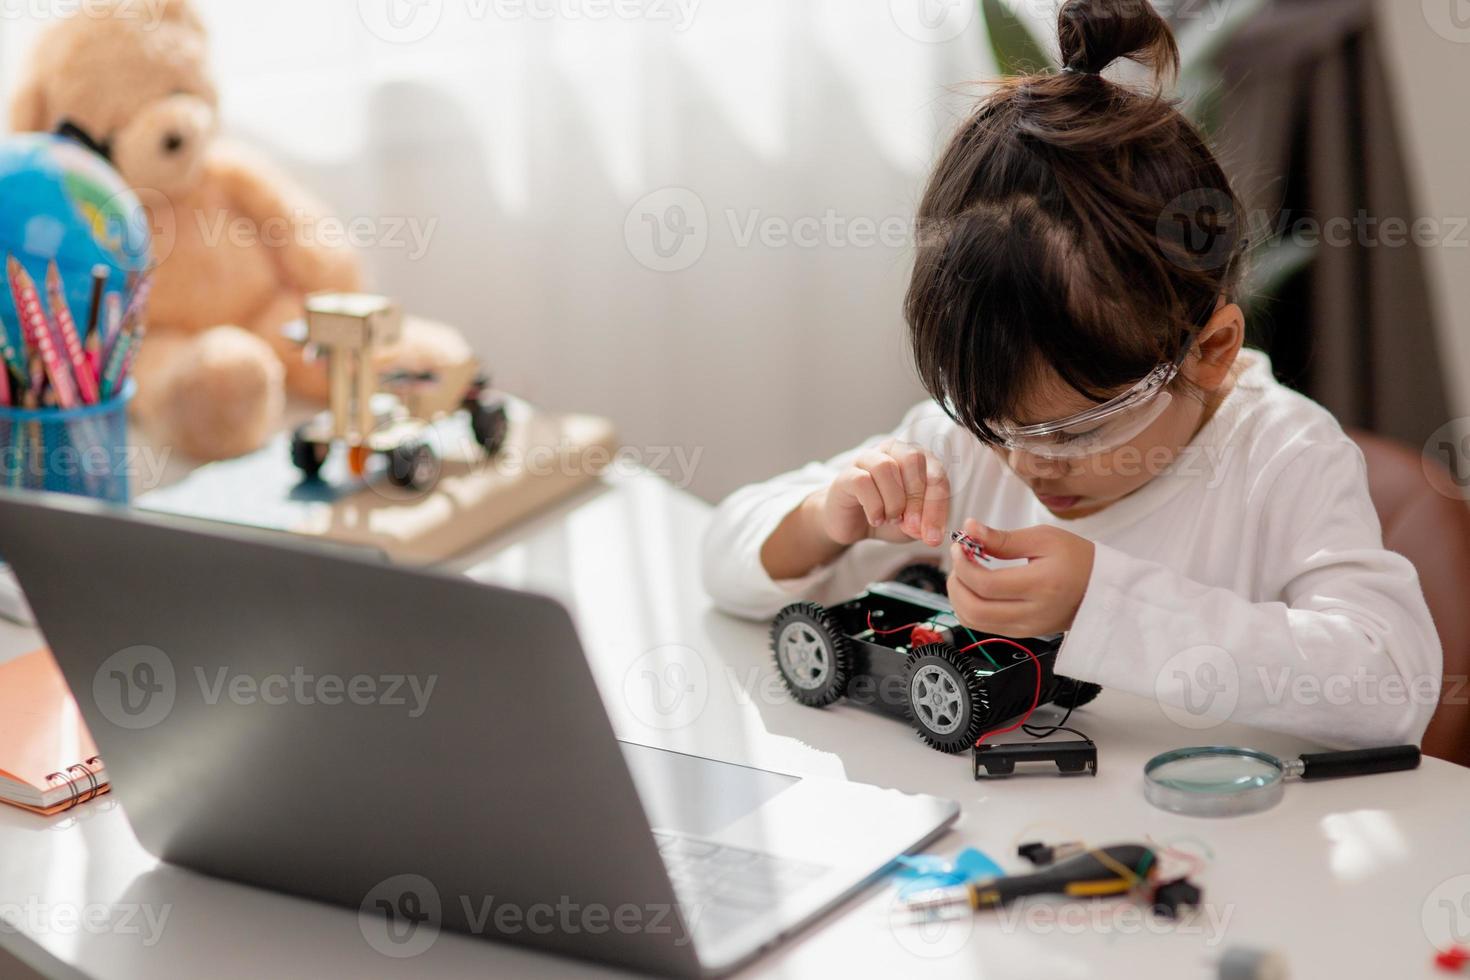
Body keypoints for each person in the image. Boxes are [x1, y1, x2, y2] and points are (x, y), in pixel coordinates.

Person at [701, 0, 1441, 748]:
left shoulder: (1285, 459)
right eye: (991, 422)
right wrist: (825, 520)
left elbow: (1393, 688)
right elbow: (721, 561)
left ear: (1210, 353)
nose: (1025, 464)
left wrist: (1101, 601)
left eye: (1075, 429)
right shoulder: (964, 443)